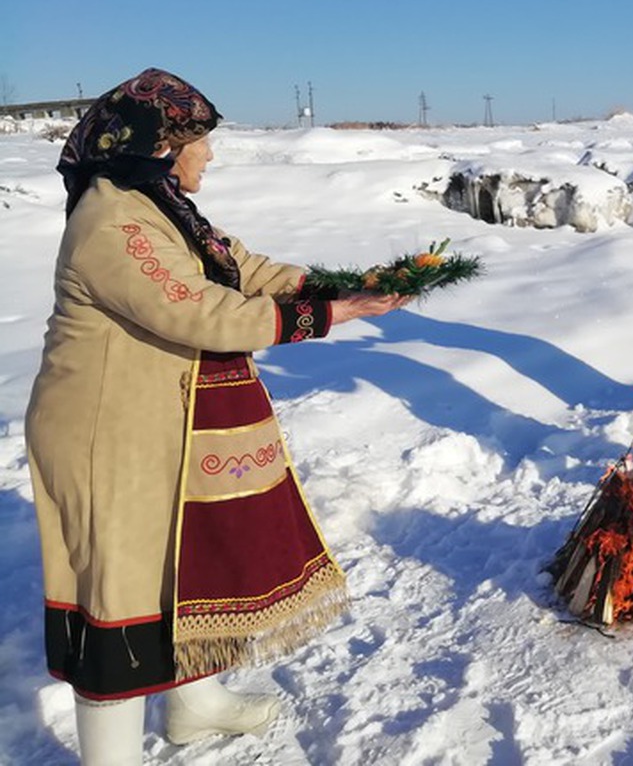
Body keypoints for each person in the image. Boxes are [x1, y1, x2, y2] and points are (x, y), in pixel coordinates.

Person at [25, 69, 408, 764]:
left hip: (165, 420)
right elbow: (199, 310)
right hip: (107, 434)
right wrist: (329, 314)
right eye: (200, 142)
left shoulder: (161, 203)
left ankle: (193, 708)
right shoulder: (111, 220)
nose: (209, 155)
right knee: (121, 595)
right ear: (162, 145)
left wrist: (341, 286)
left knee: (186, 571)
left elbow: (242, 269)